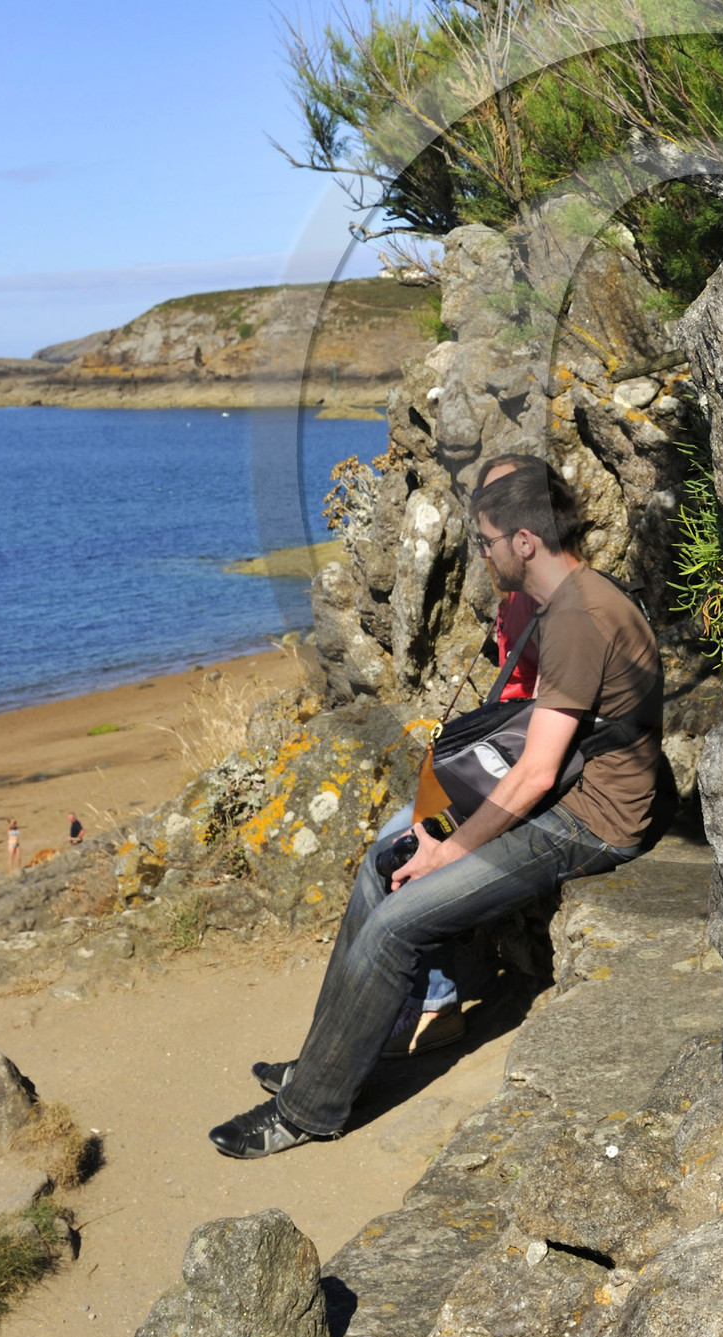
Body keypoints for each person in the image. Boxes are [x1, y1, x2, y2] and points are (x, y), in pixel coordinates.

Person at [208, 461, 665, 1158]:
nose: (478, 554)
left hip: (592, 821)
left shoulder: (579, 614)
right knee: (386, 862)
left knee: (398, 921)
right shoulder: (566, 599)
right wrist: (436, 832)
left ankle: (308, 1110)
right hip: (564, 794)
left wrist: (452, 847)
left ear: (523, 541)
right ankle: (325, 1060)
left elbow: (539, 771)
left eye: (485, 540)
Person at [380, 450, 547, 1061]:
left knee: (404, 844)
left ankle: (435, 1004)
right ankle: (424, 996)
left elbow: (543, 716)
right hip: (491, 757)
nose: (484, 539)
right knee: (398, 839)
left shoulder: (542, 597)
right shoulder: (514, 590)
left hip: (510, 766)